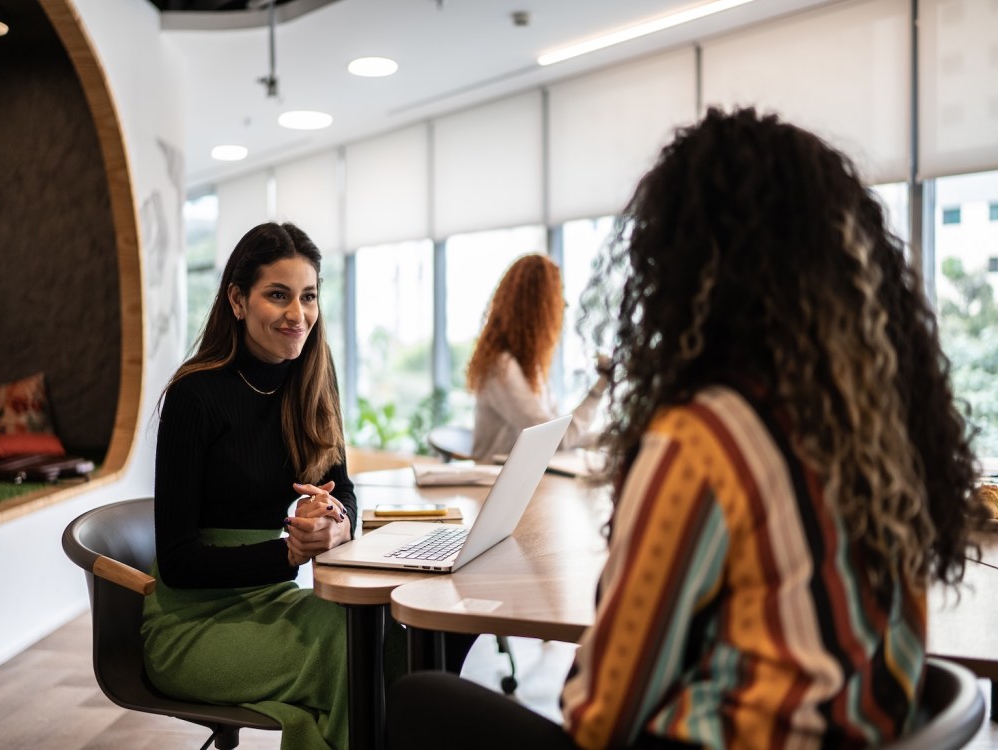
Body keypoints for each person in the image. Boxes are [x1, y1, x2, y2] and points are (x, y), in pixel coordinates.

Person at [386, 107, 986, 749]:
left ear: (680, 270)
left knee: (420, 699)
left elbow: (600, 714)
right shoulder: (868, 428)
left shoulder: (702, 439)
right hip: (852, 730)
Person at [142, 222, 356, 750]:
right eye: (277, 295)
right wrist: (286, 555)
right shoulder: (196, 394)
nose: (298, 314)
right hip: (191, 624)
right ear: (238, 300)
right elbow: (178, 561)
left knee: (385, 637)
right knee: (345, 645)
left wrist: (332, 522)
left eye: (308, 297)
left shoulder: (311, 381)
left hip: (272, 601)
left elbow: (342, 489)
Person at [466, 253, 609, 461]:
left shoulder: (532, 369)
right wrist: (598, 390)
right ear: (539, 307)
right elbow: (555, 440)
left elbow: (561, 434)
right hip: (496, 485)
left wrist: (608, 438)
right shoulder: (502, 368)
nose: (564, 304)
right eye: (556, 296)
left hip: (523, 480)